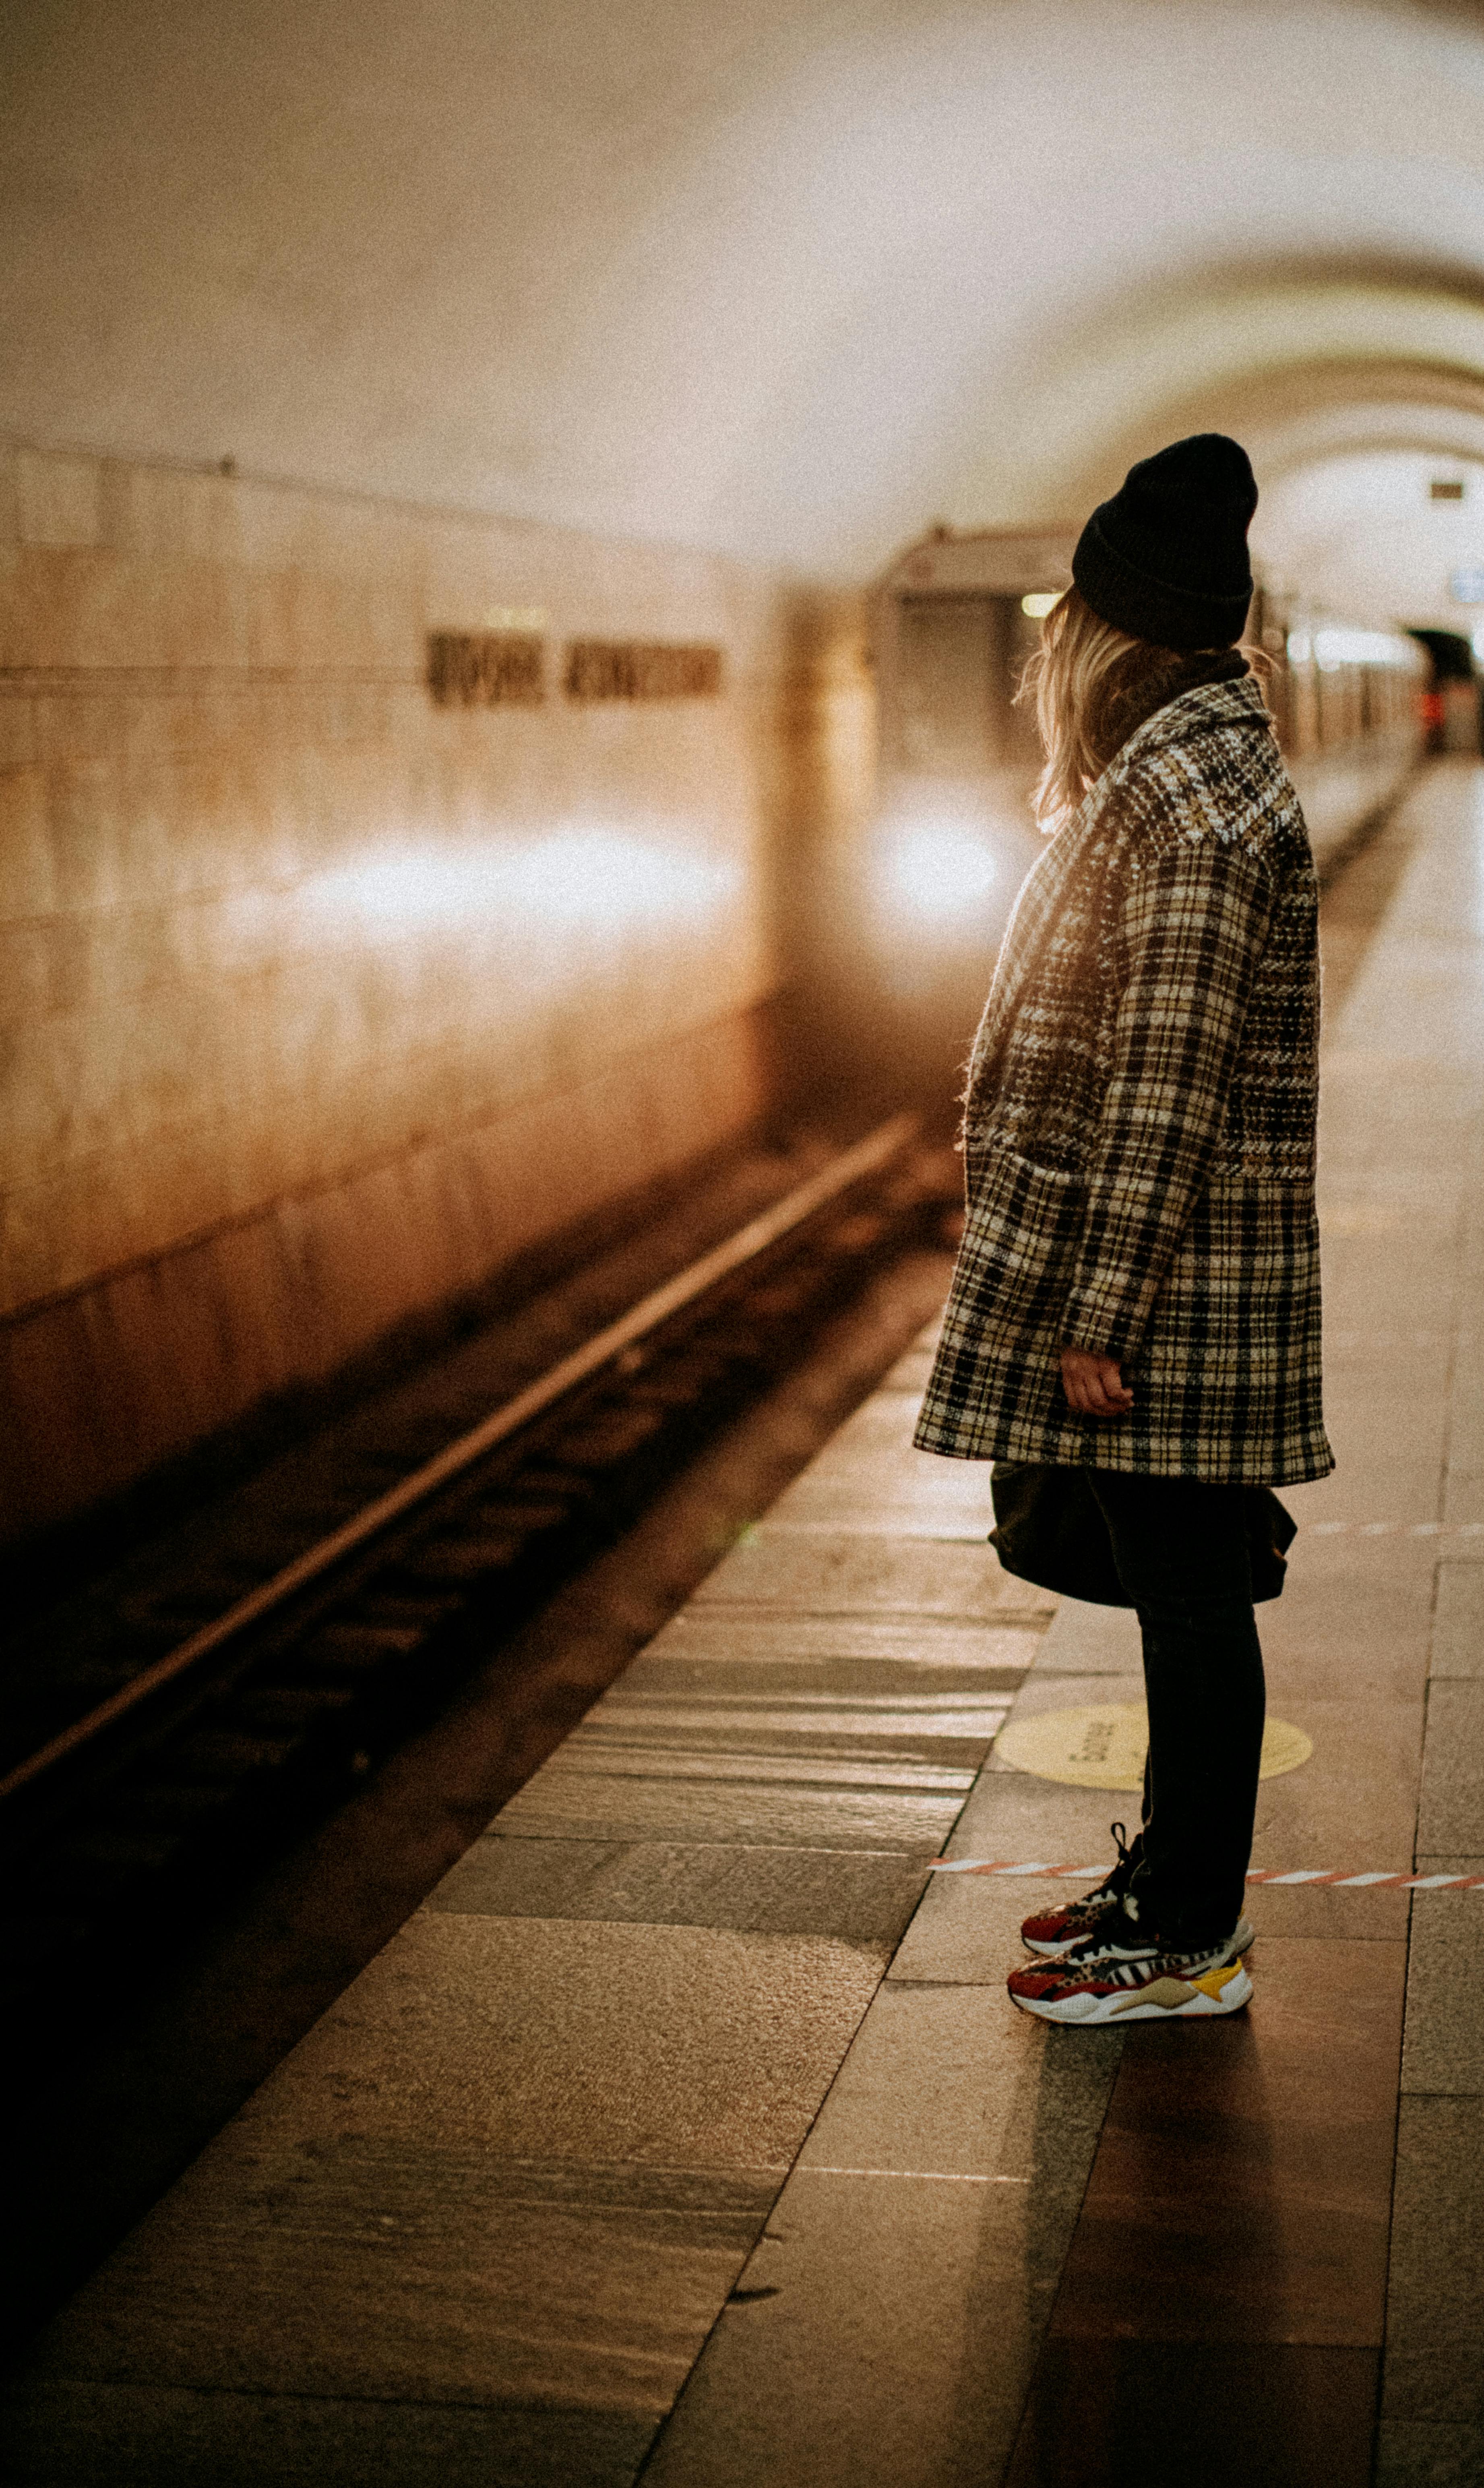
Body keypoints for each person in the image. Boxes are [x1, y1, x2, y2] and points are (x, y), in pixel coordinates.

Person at [914, 433, 1333, 2026]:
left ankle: (1189, 1939)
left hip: (1173, 1288)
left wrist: (1099, 1311)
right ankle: (1164, 1880)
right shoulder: (1192, 771)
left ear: (1112, 626)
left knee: (1193, 1596)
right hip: (1182, 1278)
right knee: (1179, 1592)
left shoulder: (1196, 797)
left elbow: (1162, 1077)